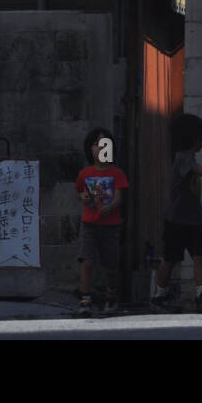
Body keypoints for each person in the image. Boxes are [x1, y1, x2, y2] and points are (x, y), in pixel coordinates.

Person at [152, 113, 202, 312]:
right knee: (170, 258)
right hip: (177, 219)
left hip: (194, 218)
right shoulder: (183, 158)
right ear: (193, 138)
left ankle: (201, 293)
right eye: (200, 137)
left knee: (200, 255)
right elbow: (197, 170)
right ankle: (160, 295)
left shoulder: (189, 158)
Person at [74, 127, 128, 315]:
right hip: (89, 224)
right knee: (87, 262)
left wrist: (111, 206)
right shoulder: (85, 173)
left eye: (105, 144)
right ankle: (85, 299)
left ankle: (111, 297)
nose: (100, 148)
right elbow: (80, 193)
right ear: (90, 149)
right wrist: (84, 197)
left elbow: (119, 197)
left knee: (110, 265)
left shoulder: (116, 173)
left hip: (111, 226)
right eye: (96, 144)